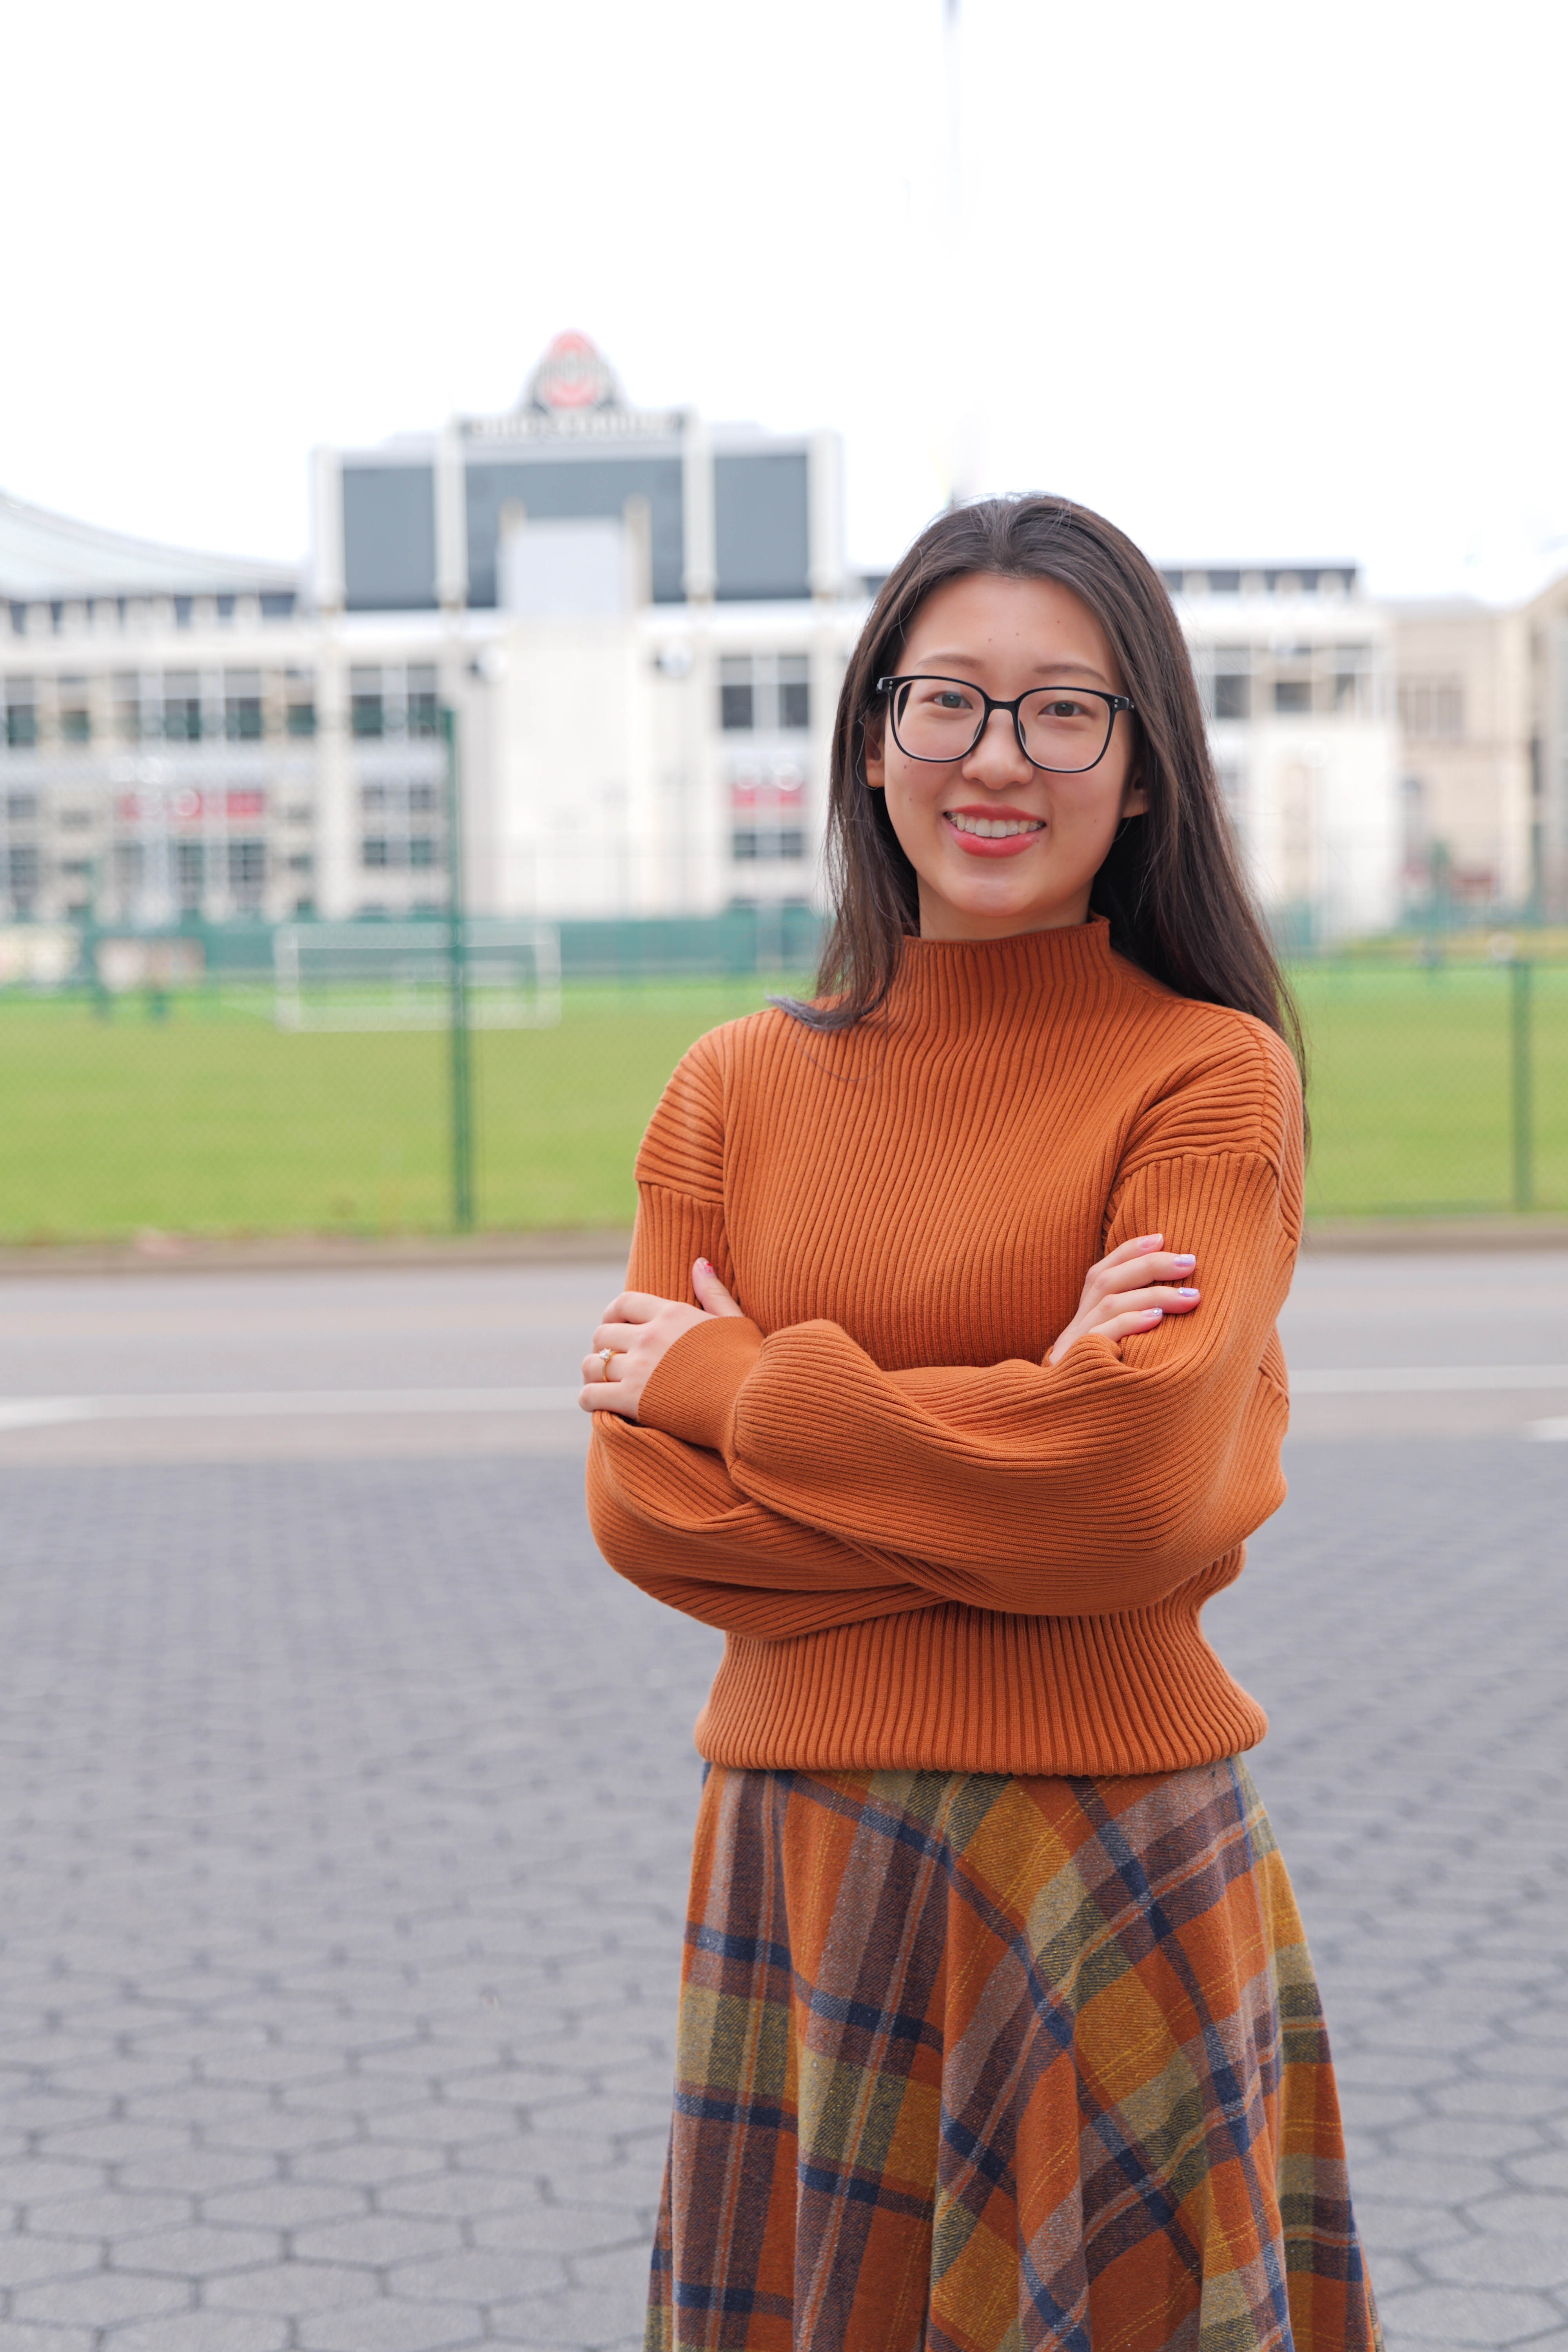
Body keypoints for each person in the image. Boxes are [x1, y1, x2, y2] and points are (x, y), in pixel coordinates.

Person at [580, 495, 1381, 2352]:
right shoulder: (730, 1089)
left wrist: (730, 1382)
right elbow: (647, 1519)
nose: (996, 759)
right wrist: (1019, 1431)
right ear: (872, 743)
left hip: (1106, 1842)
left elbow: (1121, 1491)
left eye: (1062, 712)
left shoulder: (1203, 1073)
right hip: (802, 1855)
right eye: (945, 703)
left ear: (1144, 768)